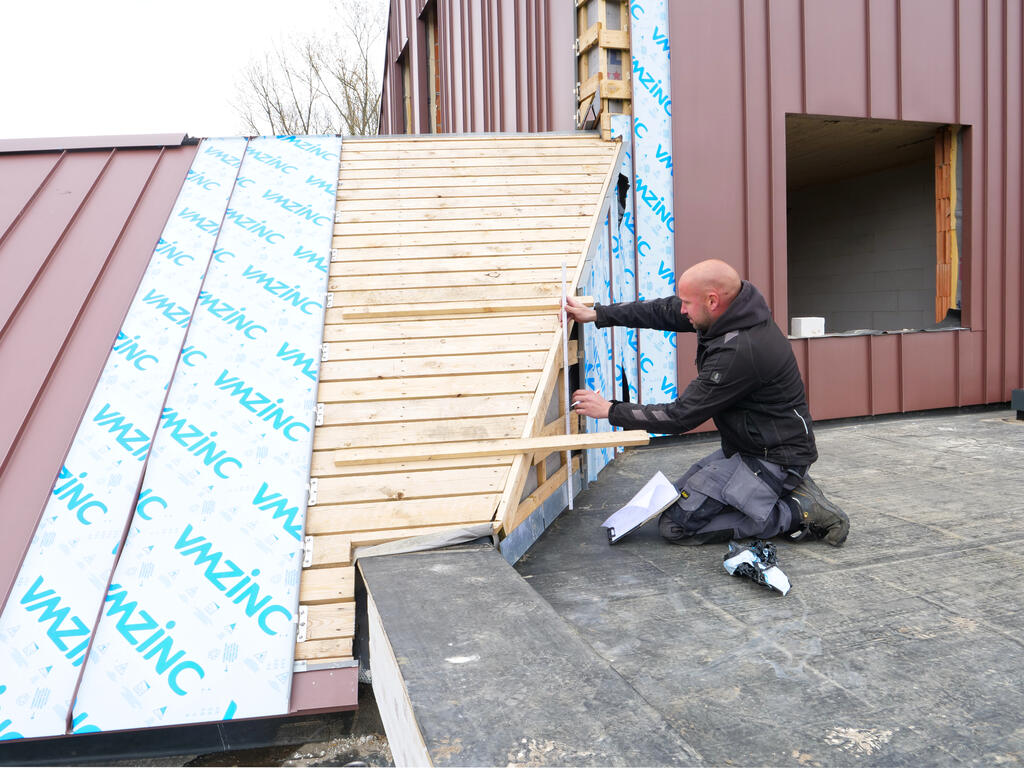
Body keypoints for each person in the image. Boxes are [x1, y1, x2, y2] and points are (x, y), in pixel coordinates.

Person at [565, 259, 849, 546]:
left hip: (774, 458)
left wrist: (611, 410)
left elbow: (680, 416)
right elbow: (663, 310)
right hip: (746, 447)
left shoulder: (740, 350)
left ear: (712, 301)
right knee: (673, 498)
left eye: (687, 303)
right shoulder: (730, 312)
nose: (682, 310)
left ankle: (797, 510)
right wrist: (598, 314)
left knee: (676, 525)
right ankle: (776, 493)